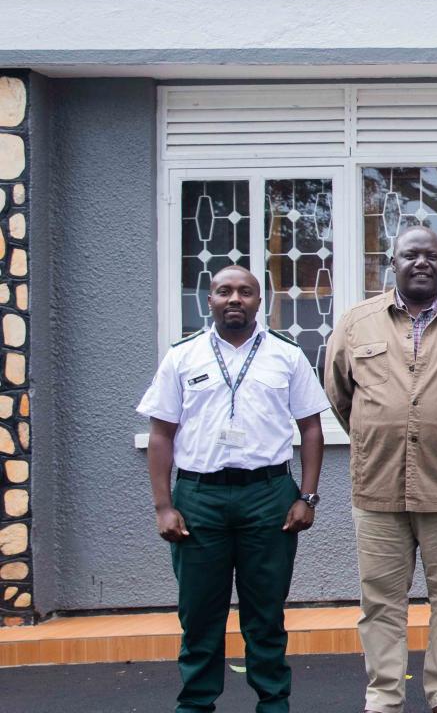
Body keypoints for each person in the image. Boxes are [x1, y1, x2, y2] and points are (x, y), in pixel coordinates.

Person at [324, 225, 437, 713]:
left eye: (431, 255)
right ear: (393, 262)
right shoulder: (356, 323)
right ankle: (384, 697)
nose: (421, 262)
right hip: (378, 485)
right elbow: (341, 396)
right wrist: (374, 433)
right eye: (410, 255)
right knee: (381, 602)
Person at [138, 265, 330, 713]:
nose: (235, 299)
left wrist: (307, 497)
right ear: (210, 300)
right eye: (224, 291)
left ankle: (273, 703)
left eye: (245, 291)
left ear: (259, 301)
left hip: (268, 497)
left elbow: (312, 429)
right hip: (199, 499)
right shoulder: (183, 356)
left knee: (265, 614)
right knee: (200, 615)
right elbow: (161, 434)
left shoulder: (286, 354)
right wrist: (163, 506)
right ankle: (196, 705)